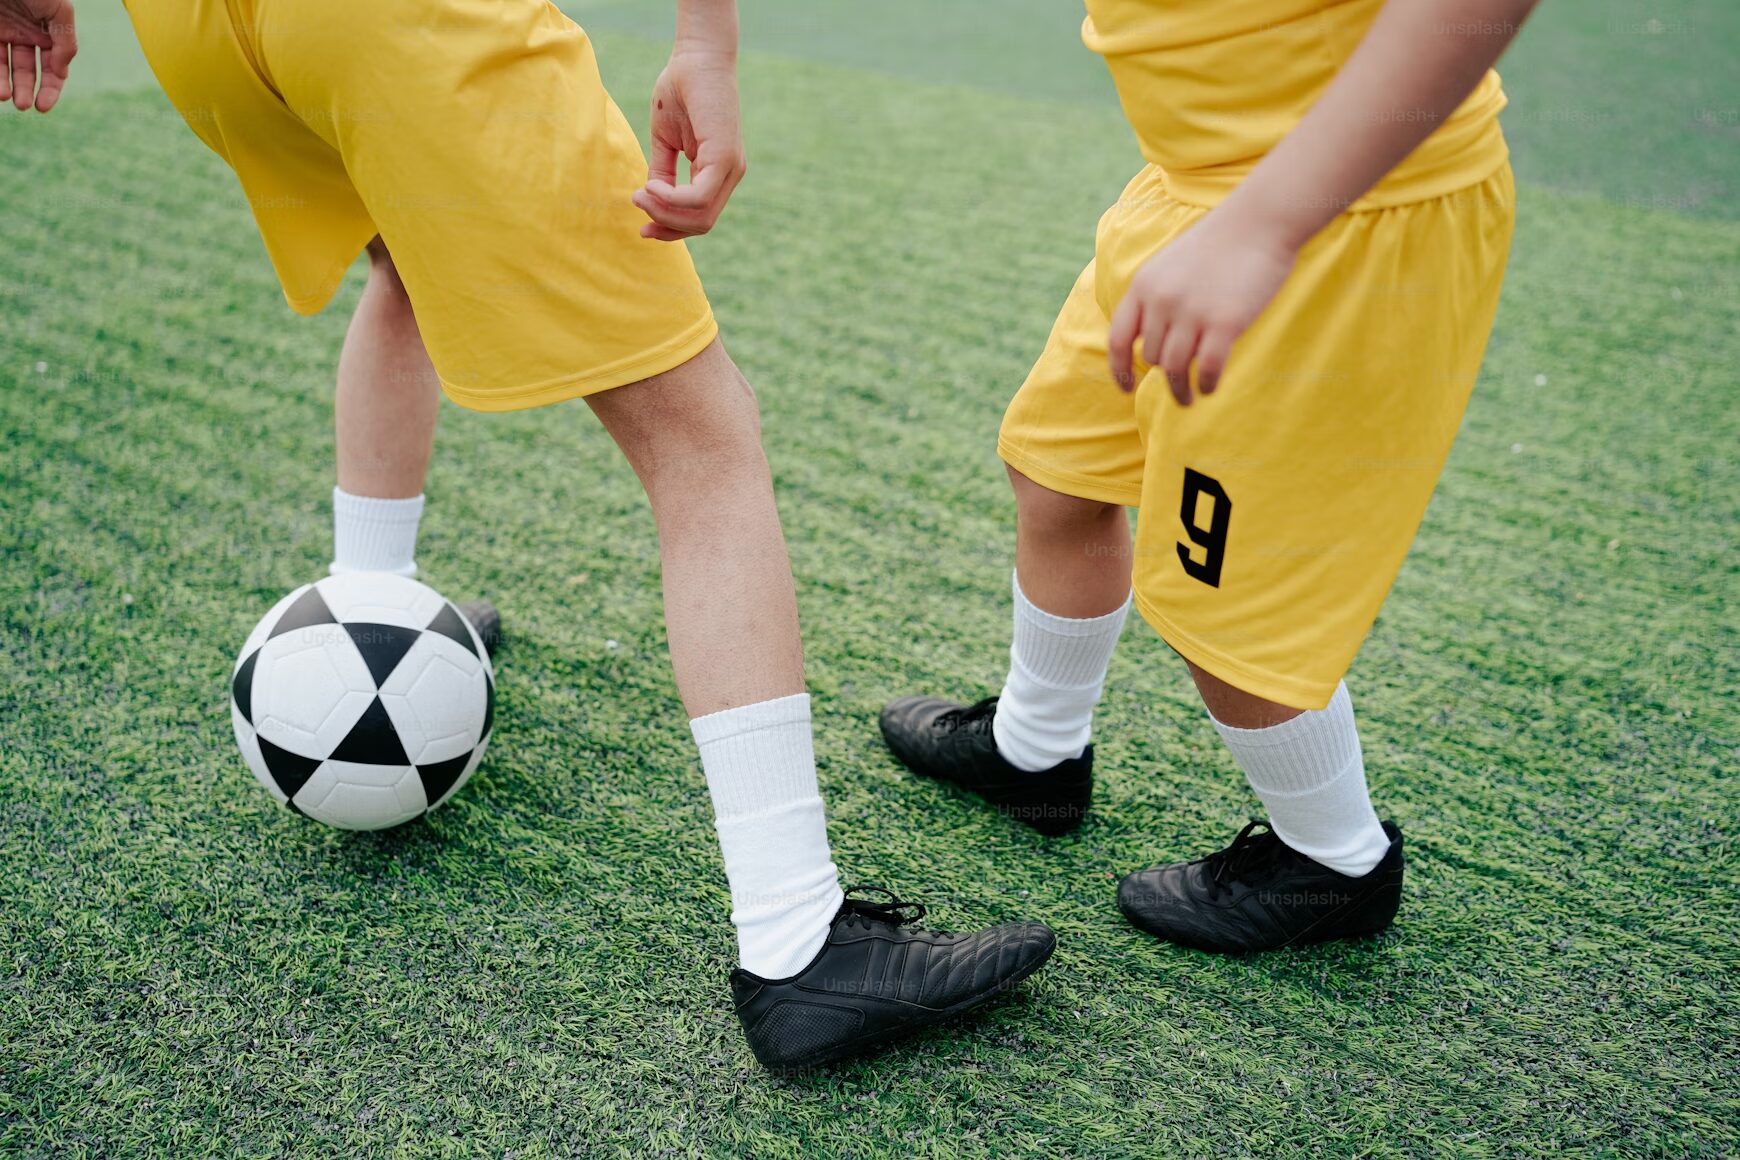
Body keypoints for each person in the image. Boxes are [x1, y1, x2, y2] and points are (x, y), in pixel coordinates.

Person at [2, 0, 1054, 1069]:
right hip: (390, 23)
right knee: (702, 441)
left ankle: (372, 614)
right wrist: (706, 43)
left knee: (401, 254)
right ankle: (796, 939)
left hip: (196, 30)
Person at [881, 0, 1538, 953]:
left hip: (1333, 221)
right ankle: (1036, 752)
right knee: (1060, 470)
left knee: (1225, 604)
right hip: (1195, 195)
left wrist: (1267, 226)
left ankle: (1335, 861)